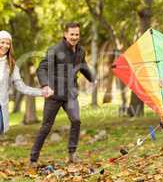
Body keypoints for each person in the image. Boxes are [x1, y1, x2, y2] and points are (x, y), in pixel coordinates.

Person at [29, 23, 96, 167]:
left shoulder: (80, 51)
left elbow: (83, 66)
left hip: (70, 94)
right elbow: (42, 68)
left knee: (76, 120)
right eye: (72, 34)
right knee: (46, 126)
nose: (74, 37)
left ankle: (72, 154)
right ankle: (33, 159)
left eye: (77, 34)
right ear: (65, 34)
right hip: (54, 94)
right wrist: (45, 85)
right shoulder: (54, 50)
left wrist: (93, 79)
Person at [0, 30, 52, 134]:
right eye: (2, 42)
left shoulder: (11, 65)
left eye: (8, 43)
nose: (5, 46)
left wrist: (41, 92)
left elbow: (21, 87)